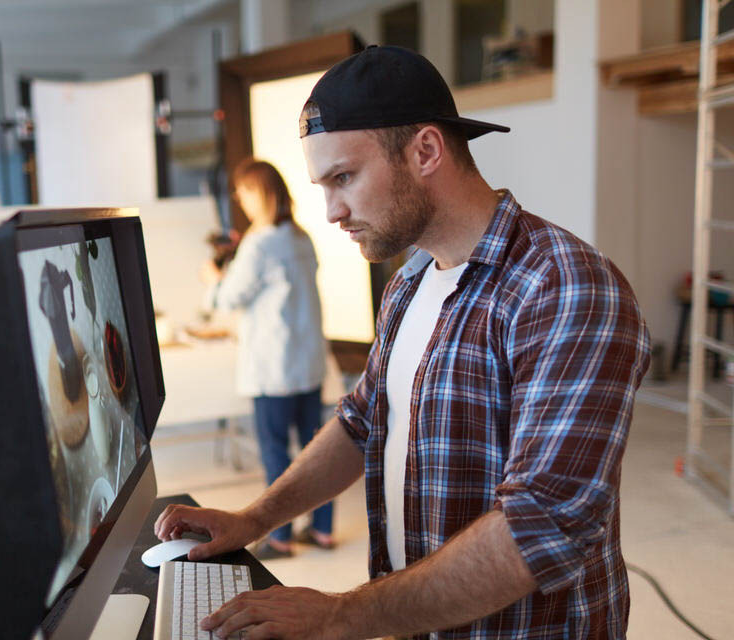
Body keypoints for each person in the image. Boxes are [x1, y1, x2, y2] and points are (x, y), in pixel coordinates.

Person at [157, 45, 651, 640]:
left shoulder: (564, 287)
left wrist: (341, 613)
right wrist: (253, 518)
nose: (333, 211)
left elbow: (544, 524)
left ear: (425, 151)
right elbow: (362, 421)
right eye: (323, 185)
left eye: (345, 177)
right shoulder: (410, 282)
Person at [202, 158, 333, 559]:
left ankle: (279, 537)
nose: (239, 199)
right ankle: (323, 531)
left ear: (257, 193)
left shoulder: (259, 243)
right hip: (308, 364)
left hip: (274, 369)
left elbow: (229, 298)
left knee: (277, 453)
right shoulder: (301, 237)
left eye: (242, 192)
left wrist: (213, 278)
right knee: (316, 452)